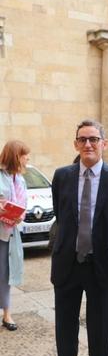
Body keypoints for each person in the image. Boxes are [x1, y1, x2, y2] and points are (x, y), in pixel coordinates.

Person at [51, 119, 108, 356]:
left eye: (93, 139)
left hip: (101, 267)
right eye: (83, 140)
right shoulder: (61, 176)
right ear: (76, 144)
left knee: (100, 330)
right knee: (65, 328)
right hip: (67, 264)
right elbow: (62, 216)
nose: (88, 144)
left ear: (104, 144)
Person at [0, 140, 30, 331]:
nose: (27, 158)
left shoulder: (20, 179)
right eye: (25, 154)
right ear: (15, 156)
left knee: (6, 274)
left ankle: (7, 314)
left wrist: (19, 216)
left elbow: (23, 204)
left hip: (11, 233)